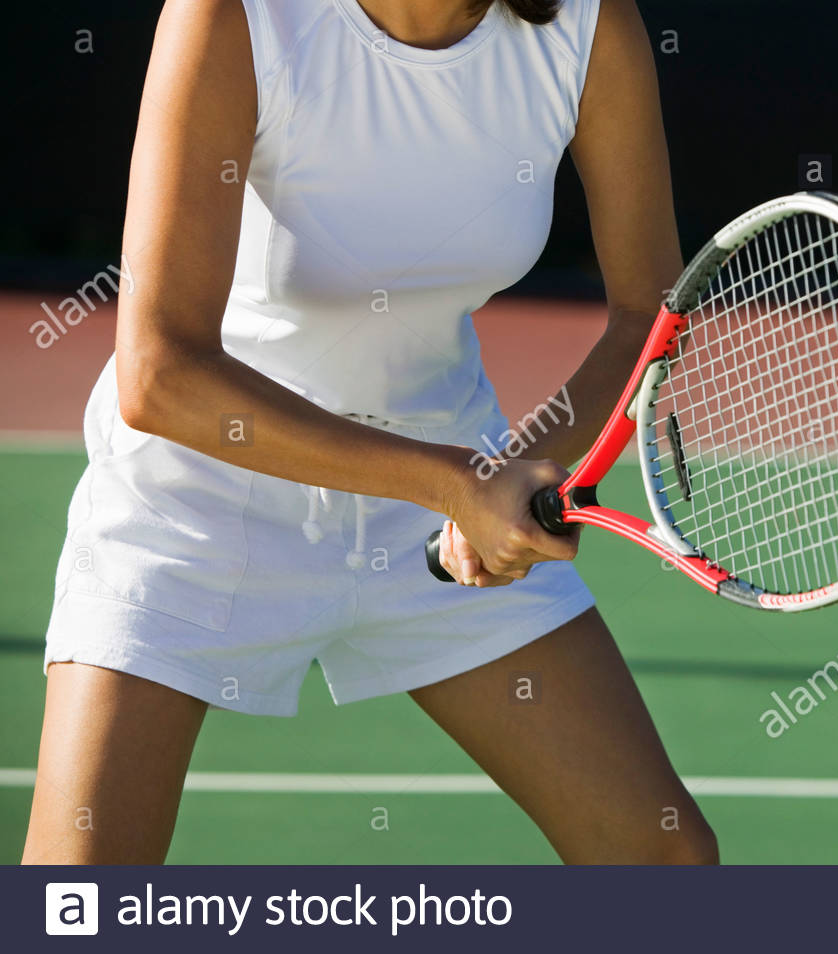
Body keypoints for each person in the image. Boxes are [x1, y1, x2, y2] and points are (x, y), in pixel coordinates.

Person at [23, 0, 718, 864]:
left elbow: (647, 315)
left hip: (437, 491)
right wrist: (456, 483)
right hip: (194, 502)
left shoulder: (587, 25)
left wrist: (502, 473)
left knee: (662, 862)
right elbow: (162, 376)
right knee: (81, 906)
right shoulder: (233, 17)